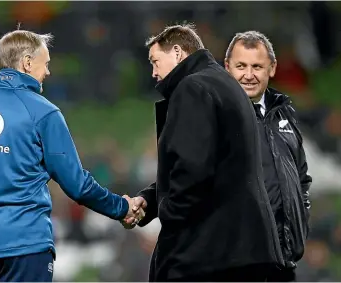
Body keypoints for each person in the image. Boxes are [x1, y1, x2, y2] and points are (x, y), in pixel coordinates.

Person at [0, 29, 142, 282]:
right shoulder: (44, 113)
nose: (48, 72)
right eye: (45, 63)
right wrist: (121, 207)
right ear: (27, 63)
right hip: (27, 245)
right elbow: (77, 185)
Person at [122, 23, 284, 282]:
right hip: (243, 248)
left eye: (155, 61)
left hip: (208, 252)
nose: (153, 72)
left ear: (177, 52)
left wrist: (168, 212)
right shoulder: (224, 84)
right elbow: (217, 162)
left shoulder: (192, 88)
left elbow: (192, 169)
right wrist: (150, 200)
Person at [224, 30, 312, 282]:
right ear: (227, 67)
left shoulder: (284, 113)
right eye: (241, 66)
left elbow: (302, 178)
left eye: (257, 66)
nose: (248, 75)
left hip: (284, 259)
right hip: (235, 262)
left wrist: (299, 225)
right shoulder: (214, 114)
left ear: (272, 68)